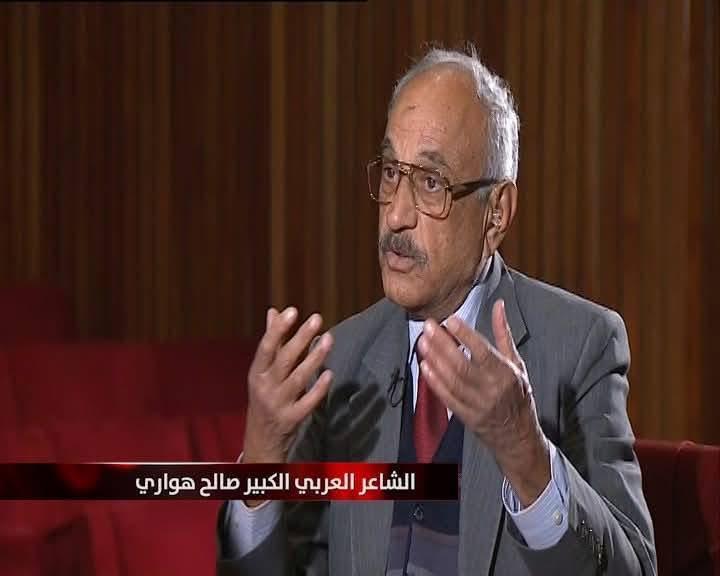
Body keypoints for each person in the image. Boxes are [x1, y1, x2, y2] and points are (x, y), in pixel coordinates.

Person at [216, 46, 657, 575]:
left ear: (496, 213)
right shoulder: (340, 364)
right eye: (390, 174)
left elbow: (634, 569)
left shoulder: (579, 347)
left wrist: (527, 457)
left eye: (431, 183)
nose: (396, 216)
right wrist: (260, 468)